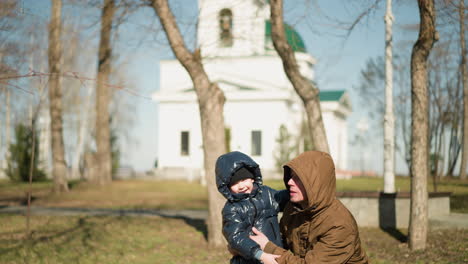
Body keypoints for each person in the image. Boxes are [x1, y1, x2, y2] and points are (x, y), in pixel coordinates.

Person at [249, 151, 369, 264]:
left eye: (298, 178)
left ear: (316, 184)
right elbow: (280, 242)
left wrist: (267, 247)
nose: (290, 182)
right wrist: (248, 245)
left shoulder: (339, 225)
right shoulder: (293, 209)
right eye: (291, 176)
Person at [215, 151, 289, 264]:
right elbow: (236, 237)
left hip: (274, 252)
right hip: (248, 259)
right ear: (227, 187)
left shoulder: (267, 194)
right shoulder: (232, 209)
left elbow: (284, 199)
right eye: (235, 183)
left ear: (252, 178)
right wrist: (260, 255)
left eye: (244, 180)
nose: (241, 186)